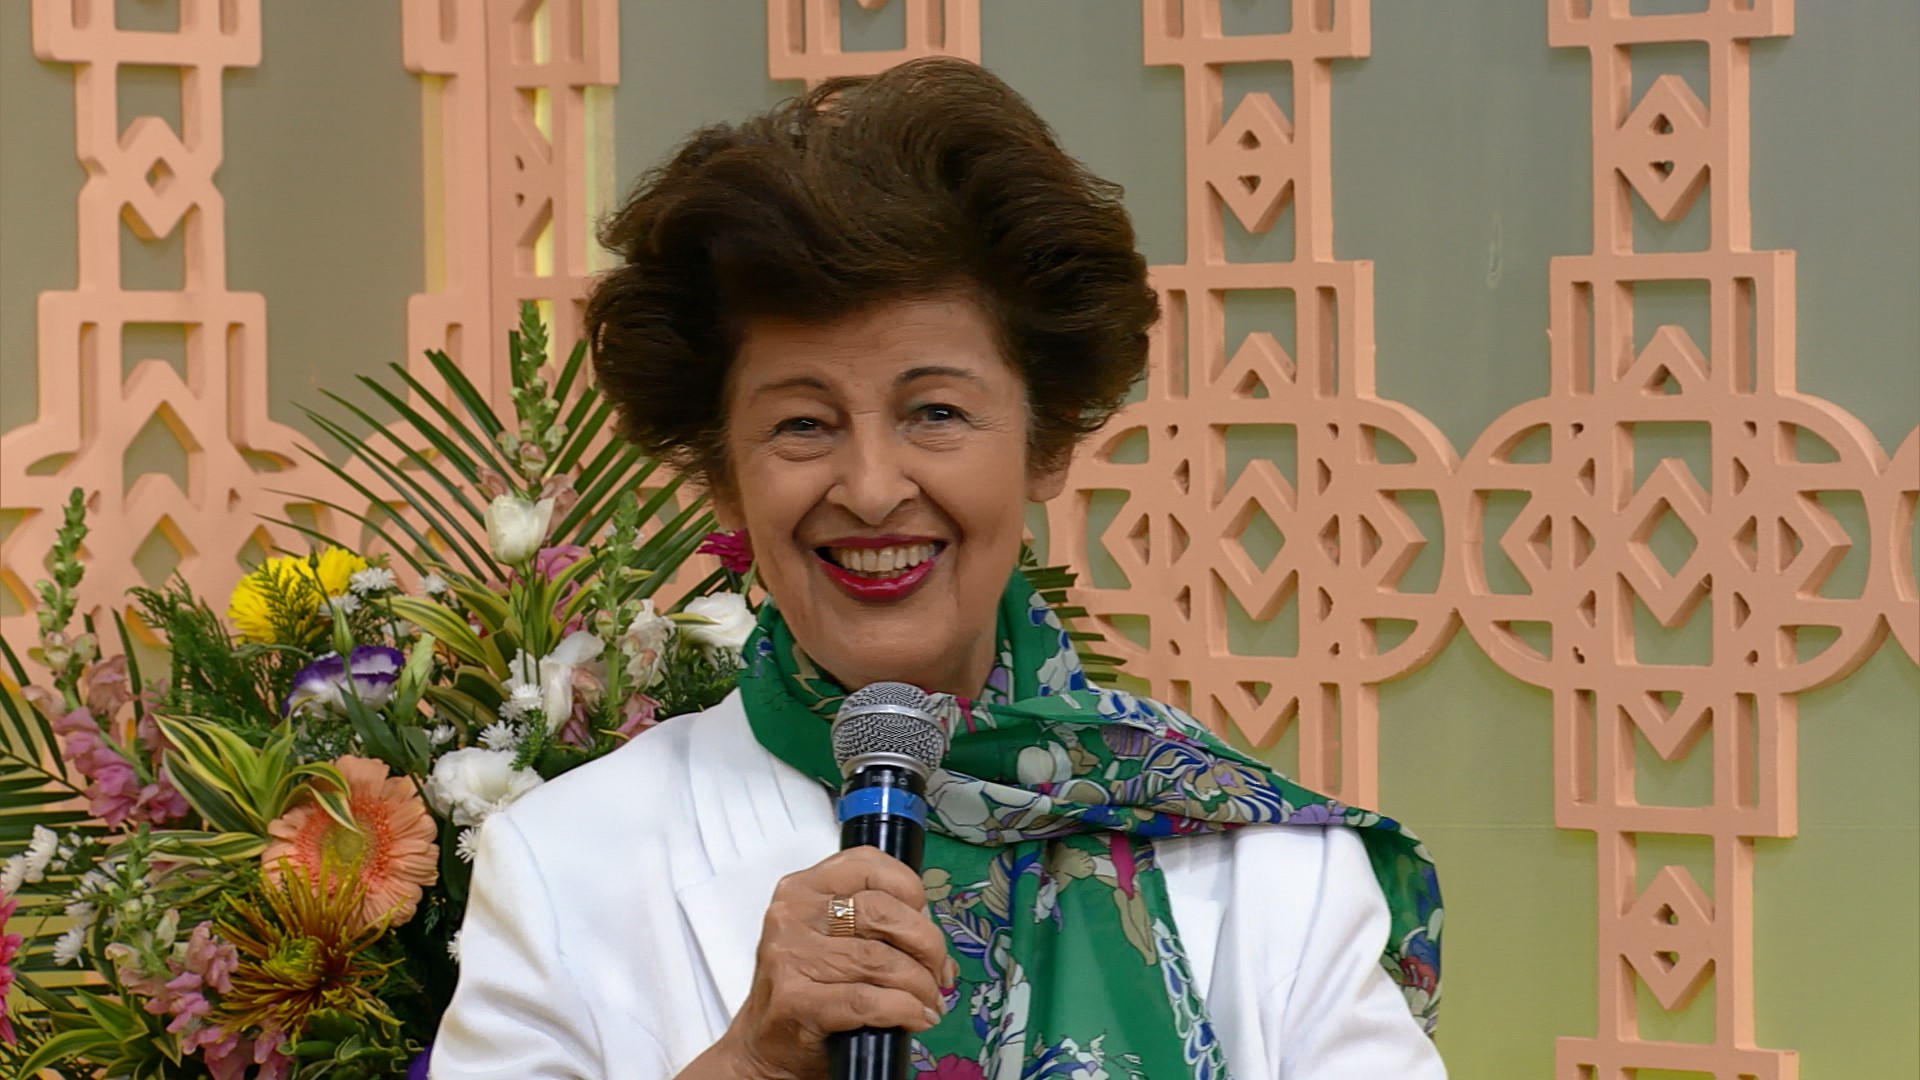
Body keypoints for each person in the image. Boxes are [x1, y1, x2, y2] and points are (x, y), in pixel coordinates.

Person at [431, 58, 1445, 1080]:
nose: (872, 489)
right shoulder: (566, 864)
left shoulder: (1271, 863)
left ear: (1048, 442)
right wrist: (748, 1063)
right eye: (802, 424)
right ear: (725, 480)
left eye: (937, 412)